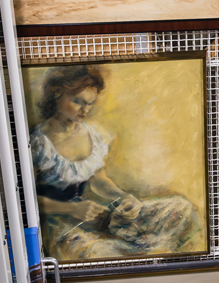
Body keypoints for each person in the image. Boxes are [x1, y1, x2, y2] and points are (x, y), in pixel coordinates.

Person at [29, 65, 203, 263]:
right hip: (59, 223)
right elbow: (27, 200)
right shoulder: (39, 143)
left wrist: (123, 197)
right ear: (57, 93)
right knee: (100, 253)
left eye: (90, 104)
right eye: (77, 101)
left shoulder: (93, 134)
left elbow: (99, 181)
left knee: (180, 208)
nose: (84, 110)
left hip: (95, 214)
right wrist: (71, 209)